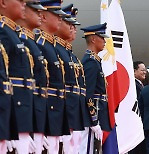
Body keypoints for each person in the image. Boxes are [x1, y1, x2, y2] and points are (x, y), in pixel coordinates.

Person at [54, 4, 91, 154]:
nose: (73, 28)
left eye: (74, 25)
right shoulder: (55, 50)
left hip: (75, 116)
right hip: (62, 115)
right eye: (69, 24)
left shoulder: (71, 55)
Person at [0, 0, 35, 153]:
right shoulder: (4, 32)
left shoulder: (10, 33)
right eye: (20, 1)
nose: (24, 4)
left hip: (16, 112)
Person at [35, 0, 70, 153]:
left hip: (56, 113)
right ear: (43, 16)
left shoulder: (51, 47)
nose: (60, 19)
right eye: (56, 15)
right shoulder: (40, 44)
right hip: (46, 112)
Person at [15, 1, 49, 153]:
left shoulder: (31, 42)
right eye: (36, 11)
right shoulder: (19, 40)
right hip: (22, 117)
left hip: (34, 115)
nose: (40, 15)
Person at [80, 23, 111, 154]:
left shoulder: (96, 61)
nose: (104, 41)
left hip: (98, 114)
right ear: (93, 39)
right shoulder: (91, 62)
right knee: (88, 149)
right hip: (92, 116)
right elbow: (88, 93)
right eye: (102, 37)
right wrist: (93, 120)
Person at [129, 61, 147, 154]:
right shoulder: (133, 85)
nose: (145, 72)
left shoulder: (140, 85)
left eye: (145, 70)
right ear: (134, 71)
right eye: (142, 70)